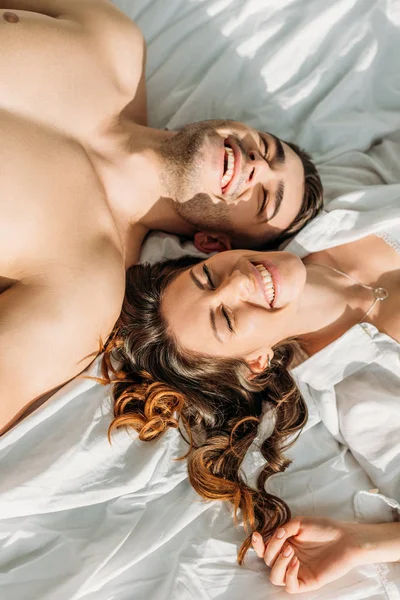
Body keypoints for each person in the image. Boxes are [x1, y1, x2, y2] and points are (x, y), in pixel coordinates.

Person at [0, 0, 322, 434]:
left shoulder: (86, 288)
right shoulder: (113, 42)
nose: (257, 165)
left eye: (263, 198)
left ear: (214, 243)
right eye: (266, 148)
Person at [101, 206, 400, 592]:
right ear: (257, 360)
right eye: (226, 318)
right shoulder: (364, 399)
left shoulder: (327, 210)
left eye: (207, 277)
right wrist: (361, 543)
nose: (238, 281)